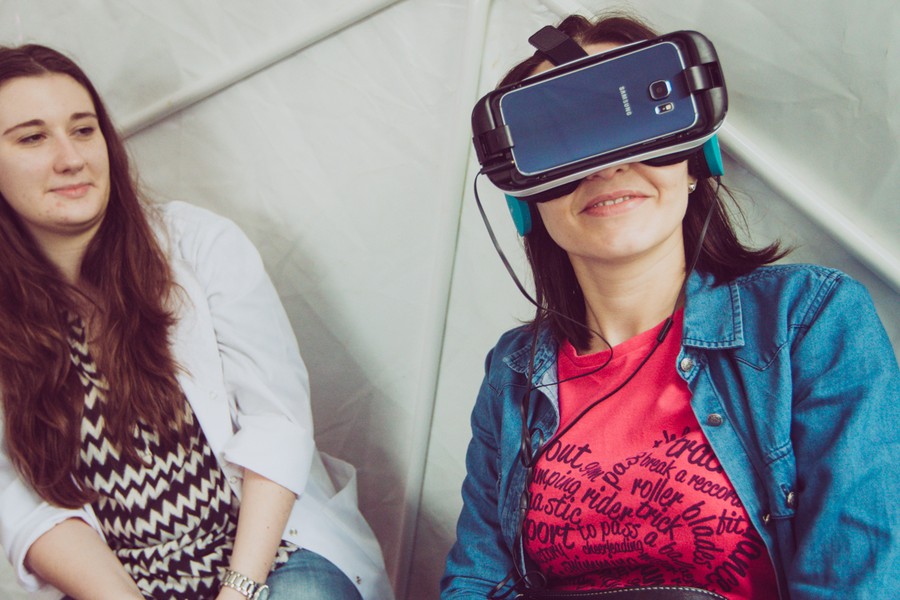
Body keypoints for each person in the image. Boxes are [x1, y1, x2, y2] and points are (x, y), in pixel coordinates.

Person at [442, 12, 899, 600]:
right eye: (562, 137)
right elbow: (477, 580)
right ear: (526, 199)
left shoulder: (809, 319)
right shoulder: (512, 372)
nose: (606, 165)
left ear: (695, 159)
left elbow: (858, 578)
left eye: (632, 122)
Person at [0, 44, 394, 600]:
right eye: (32, 138)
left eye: (83, 130)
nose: (70, 158)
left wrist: (238, 590)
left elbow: (276, 422)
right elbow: (25, 505)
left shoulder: (200, 246)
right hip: (119, 581)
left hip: (268, 554)